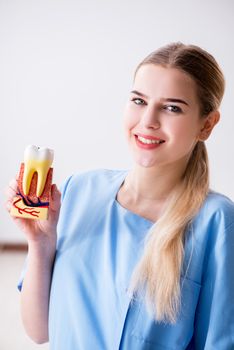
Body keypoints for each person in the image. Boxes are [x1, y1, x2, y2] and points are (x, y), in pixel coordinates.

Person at [6, 42, 234, 349]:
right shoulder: (78, 190)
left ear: (207, 124)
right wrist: (40, 243)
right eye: (139, 101)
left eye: (172, 107)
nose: (148, 120)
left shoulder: (217, 222)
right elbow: (39, 331)